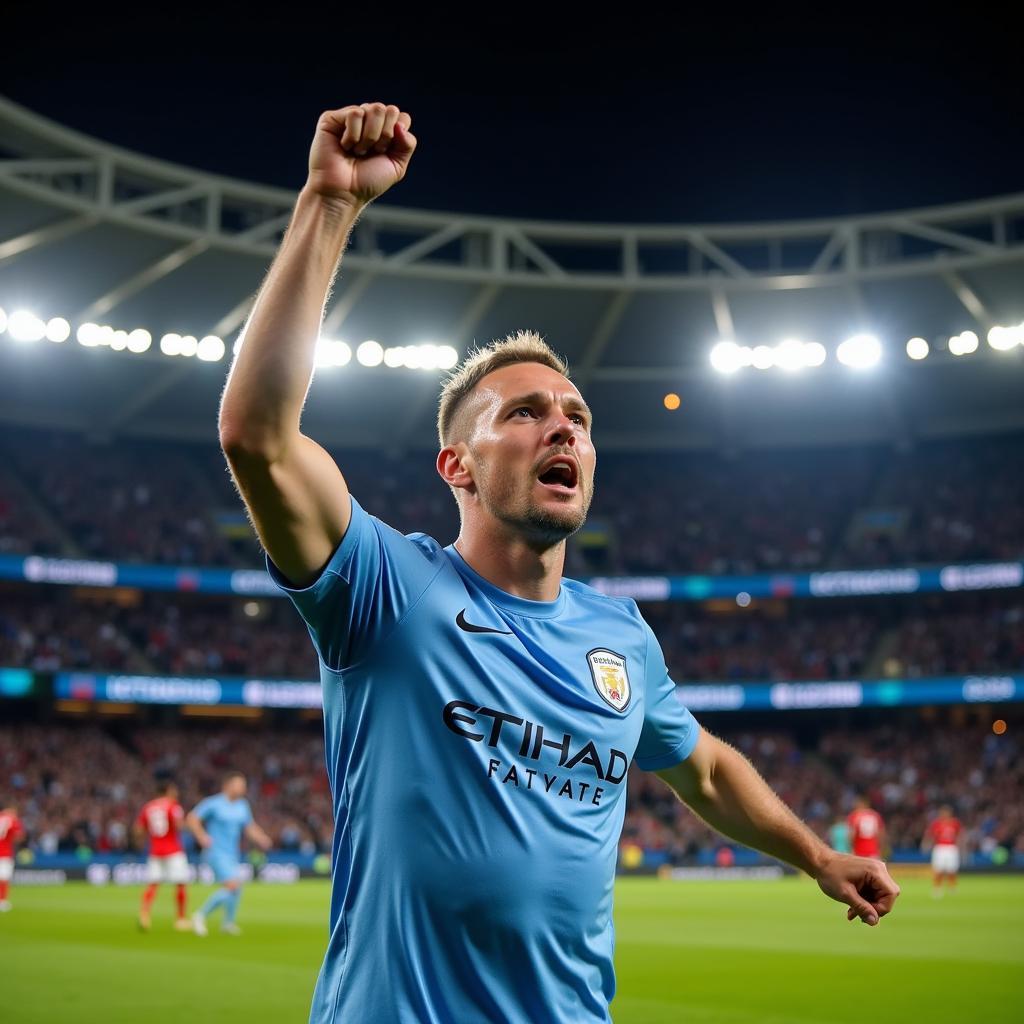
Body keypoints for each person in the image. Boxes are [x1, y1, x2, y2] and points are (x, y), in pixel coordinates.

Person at [218, 100, 900, 1024]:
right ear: (457, 465)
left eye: (577, 415)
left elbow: (702, 768)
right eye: (526, 412)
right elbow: (257, 437)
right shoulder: (388, 591)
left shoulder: (619, 635)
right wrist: (328, 205)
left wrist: (818, 856)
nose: (563, 426)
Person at [186, 771, 271, 936]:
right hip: (216, 852)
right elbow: (192, 818)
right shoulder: (213, 803)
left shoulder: (242, 805)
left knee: (236, 888)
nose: (243, 788)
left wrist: (262, 838)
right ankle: (199, 915)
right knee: (233, 885)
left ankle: (228, 923)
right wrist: (202, 836)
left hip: (232, 853)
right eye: (240, 784)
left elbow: (249, 827)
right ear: (228, 785)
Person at [134, 781, 191, 931]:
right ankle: (180, 919)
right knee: (180, 883)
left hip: (155, 850)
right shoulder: (173, 806)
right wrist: (188, 825)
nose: (176, 793)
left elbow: (138, 829)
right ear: (168, 791)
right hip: (173, 850)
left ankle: (144, 914)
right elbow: (179, 826)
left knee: (153, 884)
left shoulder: (148, 807)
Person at [923, 804, 963, 896]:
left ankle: (952, 888)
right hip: (940, 848)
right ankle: (937, 888)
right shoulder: (936, 823)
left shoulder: (955, 823)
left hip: (951, 848)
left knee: (952, 870)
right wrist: (927, 845)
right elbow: (930, 835)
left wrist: (960, 847)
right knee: (938, 869)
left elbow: (959, 836)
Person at [0, 803, 24, 912]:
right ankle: (2, 901)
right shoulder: (12, 819)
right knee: (4, 878)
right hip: (4, 853)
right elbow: (19, 837)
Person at [847, 796, 886, 860]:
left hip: (858, 852)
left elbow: (851, 836)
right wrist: (880, 849)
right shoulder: (875, 815)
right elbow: (881, 834)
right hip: (873, 852)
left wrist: (850, 849)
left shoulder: (854, 816)